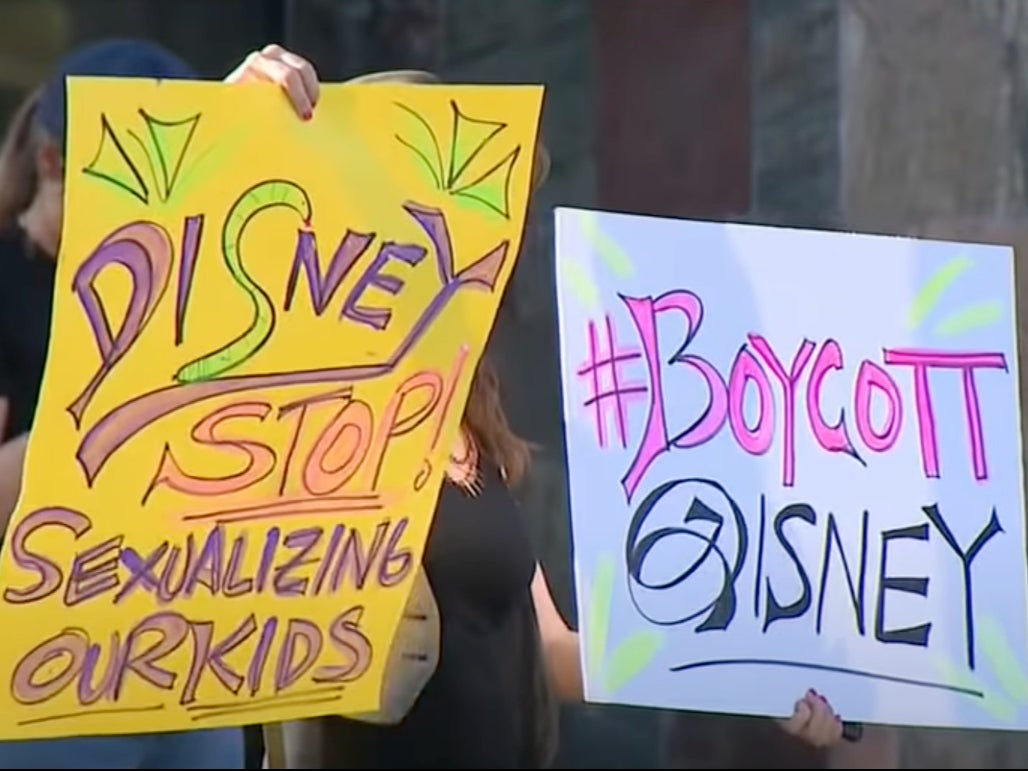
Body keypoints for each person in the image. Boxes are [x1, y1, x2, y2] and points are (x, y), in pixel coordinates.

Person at [272, 69, 848, 770]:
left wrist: (750, 676)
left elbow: (548, 649)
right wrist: (248, 114)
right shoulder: (302, 411)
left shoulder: (470, 416)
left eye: (489, 215)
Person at [0, 38, 319, 770]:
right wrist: (131, 403)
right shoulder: (9, 283)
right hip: (47, 676)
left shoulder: (187, 283)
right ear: (53, 166)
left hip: (183, 658)